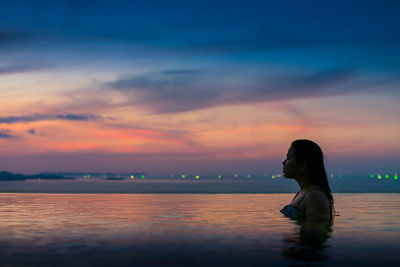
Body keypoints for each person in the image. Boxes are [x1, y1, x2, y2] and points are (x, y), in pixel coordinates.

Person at [280, 139, 334, 221]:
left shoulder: (314, 197)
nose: (283, 162)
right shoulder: (302, 194)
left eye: (289, 158)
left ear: (303, 166)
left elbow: (317, 231)